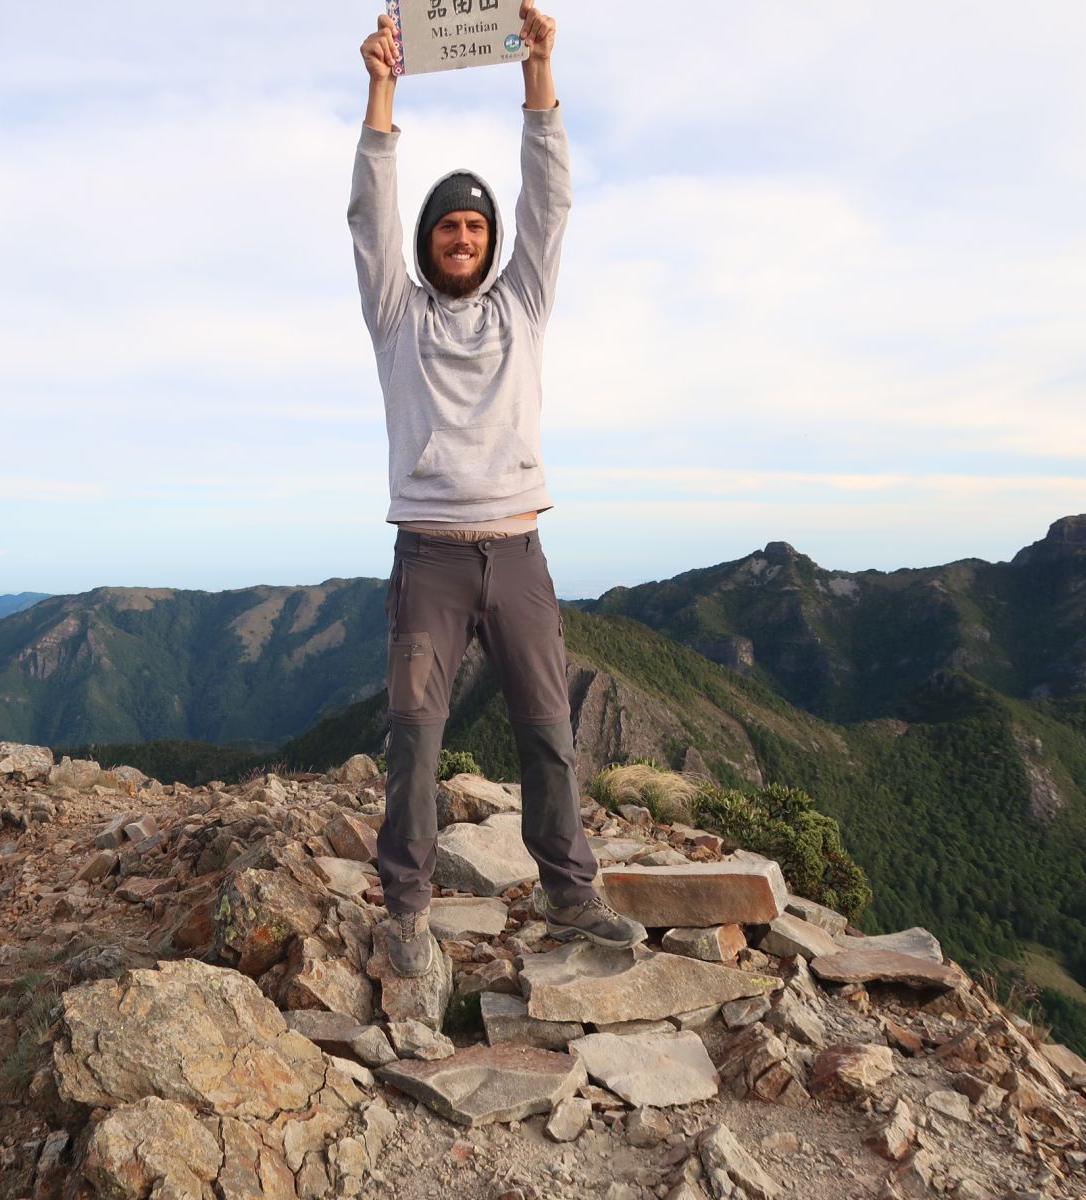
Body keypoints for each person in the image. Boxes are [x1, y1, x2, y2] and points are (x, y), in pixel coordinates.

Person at [349, 2, 645, 976]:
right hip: (431, 556)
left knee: (549, 731)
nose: (464, 237)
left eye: (478, 225)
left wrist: (540, 71)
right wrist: (384, 88)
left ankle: (570, 894)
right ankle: (406, 906)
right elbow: (370, 213)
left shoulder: (524, 301)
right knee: (415, 734)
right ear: (432, 239)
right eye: (450, 226)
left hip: (516, 551)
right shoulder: (398, 315)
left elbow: (550, 197)